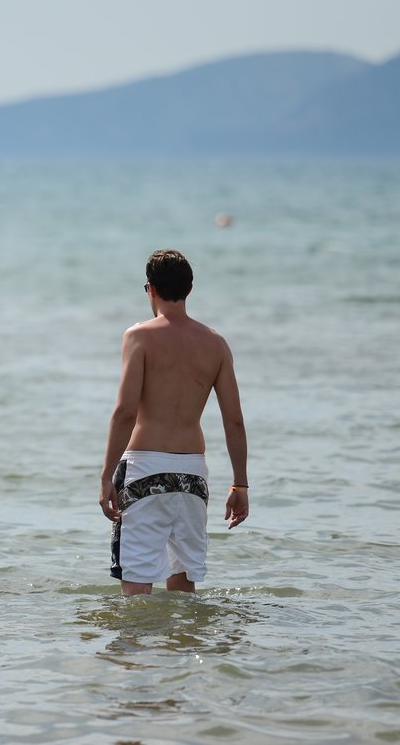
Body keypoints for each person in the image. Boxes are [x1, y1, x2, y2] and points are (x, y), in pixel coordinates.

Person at [99, 249, 249, 596]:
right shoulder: (216, 344)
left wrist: (106, 475)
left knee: (136, 589)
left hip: (144, 470)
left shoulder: (139, 337)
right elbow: (235, 421)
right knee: (183, 590)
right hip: (193, 475)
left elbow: (125, 411)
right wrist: (240, 485)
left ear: (149, 288)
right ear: (190, 288)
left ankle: (132, 650)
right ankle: (185, 651)